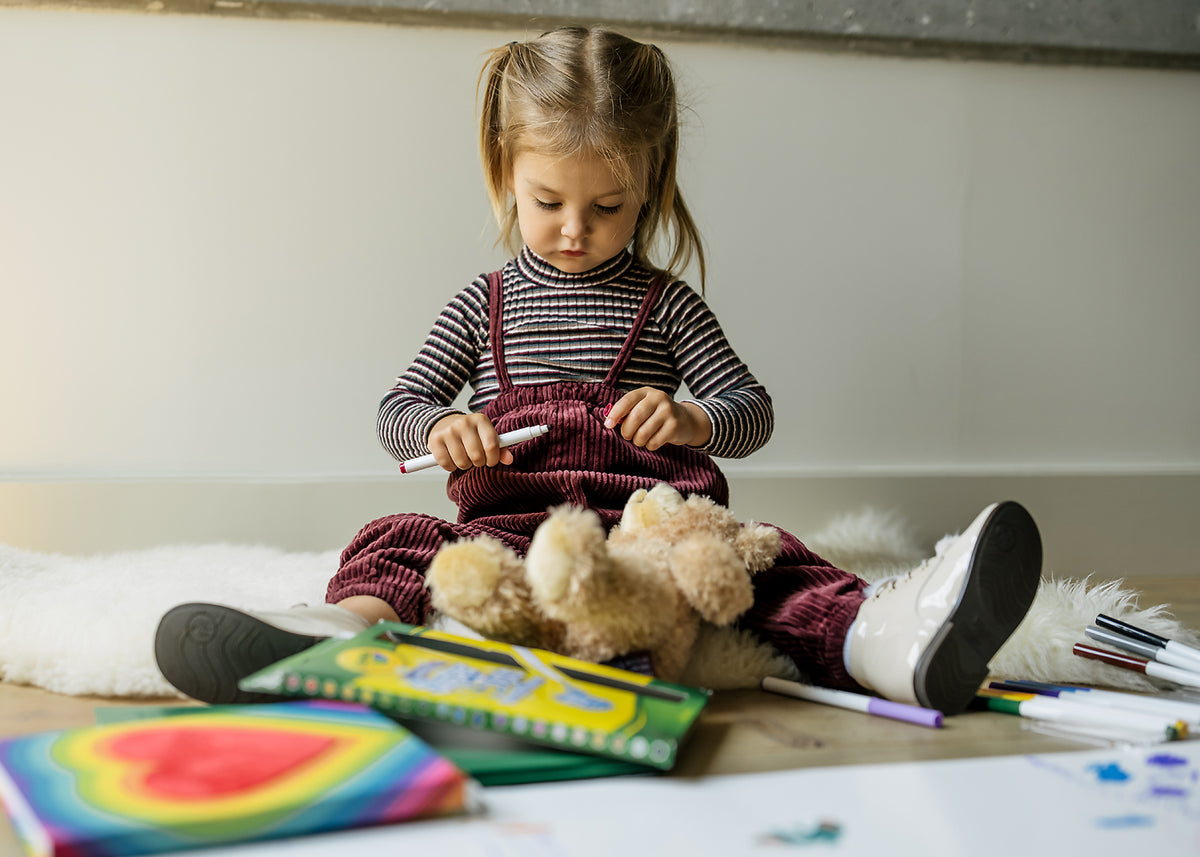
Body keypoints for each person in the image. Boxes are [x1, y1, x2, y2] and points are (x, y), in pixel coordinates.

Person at [154, 26, 1041, 714]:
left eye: (607, 206)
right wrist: (440, 427)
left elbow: (751, 407)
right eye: (548, 202)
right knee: (399, 538)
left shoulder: (668, 304)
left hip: (656, 528)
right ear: (505, 174)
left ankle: (886, 640)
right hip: (515, 531)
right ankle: (330, 642)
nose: (575, 226)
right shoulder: (483, 302)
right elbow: (399, 404)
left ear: (649, 186)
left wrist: (694, 420)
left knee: (767, 562)